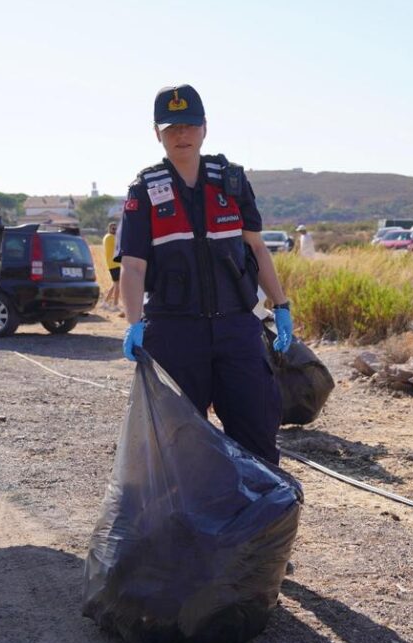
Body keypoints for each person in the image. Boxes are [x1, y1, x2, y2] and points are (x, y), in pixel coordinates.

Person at [117, 84, 294, 464]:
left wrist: (281, 305)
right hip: (175, 332)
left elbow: (257, 248)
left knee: (258, 435)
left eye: (189, 125)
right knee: (178, 445)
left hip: (236, 330)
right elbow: (132, 266)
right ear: (157, 134)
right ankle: (189, 522)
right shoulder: (145, 190)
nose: (181, 134)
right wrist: (133, 324)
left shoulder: (230, 181)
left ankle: (260, 521)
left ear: (204, 129)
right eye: (171, 128)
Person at [101, 221, 121, 310]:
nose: (115, 230)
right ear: (109, 229)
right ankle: (115, 305)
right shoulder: (111, 237)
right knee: (118, 285)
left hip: (112, 264)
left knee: (115, 284)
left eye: (116, 228)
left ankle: (105, 302)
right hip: (115, 263)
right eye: (113, 228)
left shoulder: (107, 237)